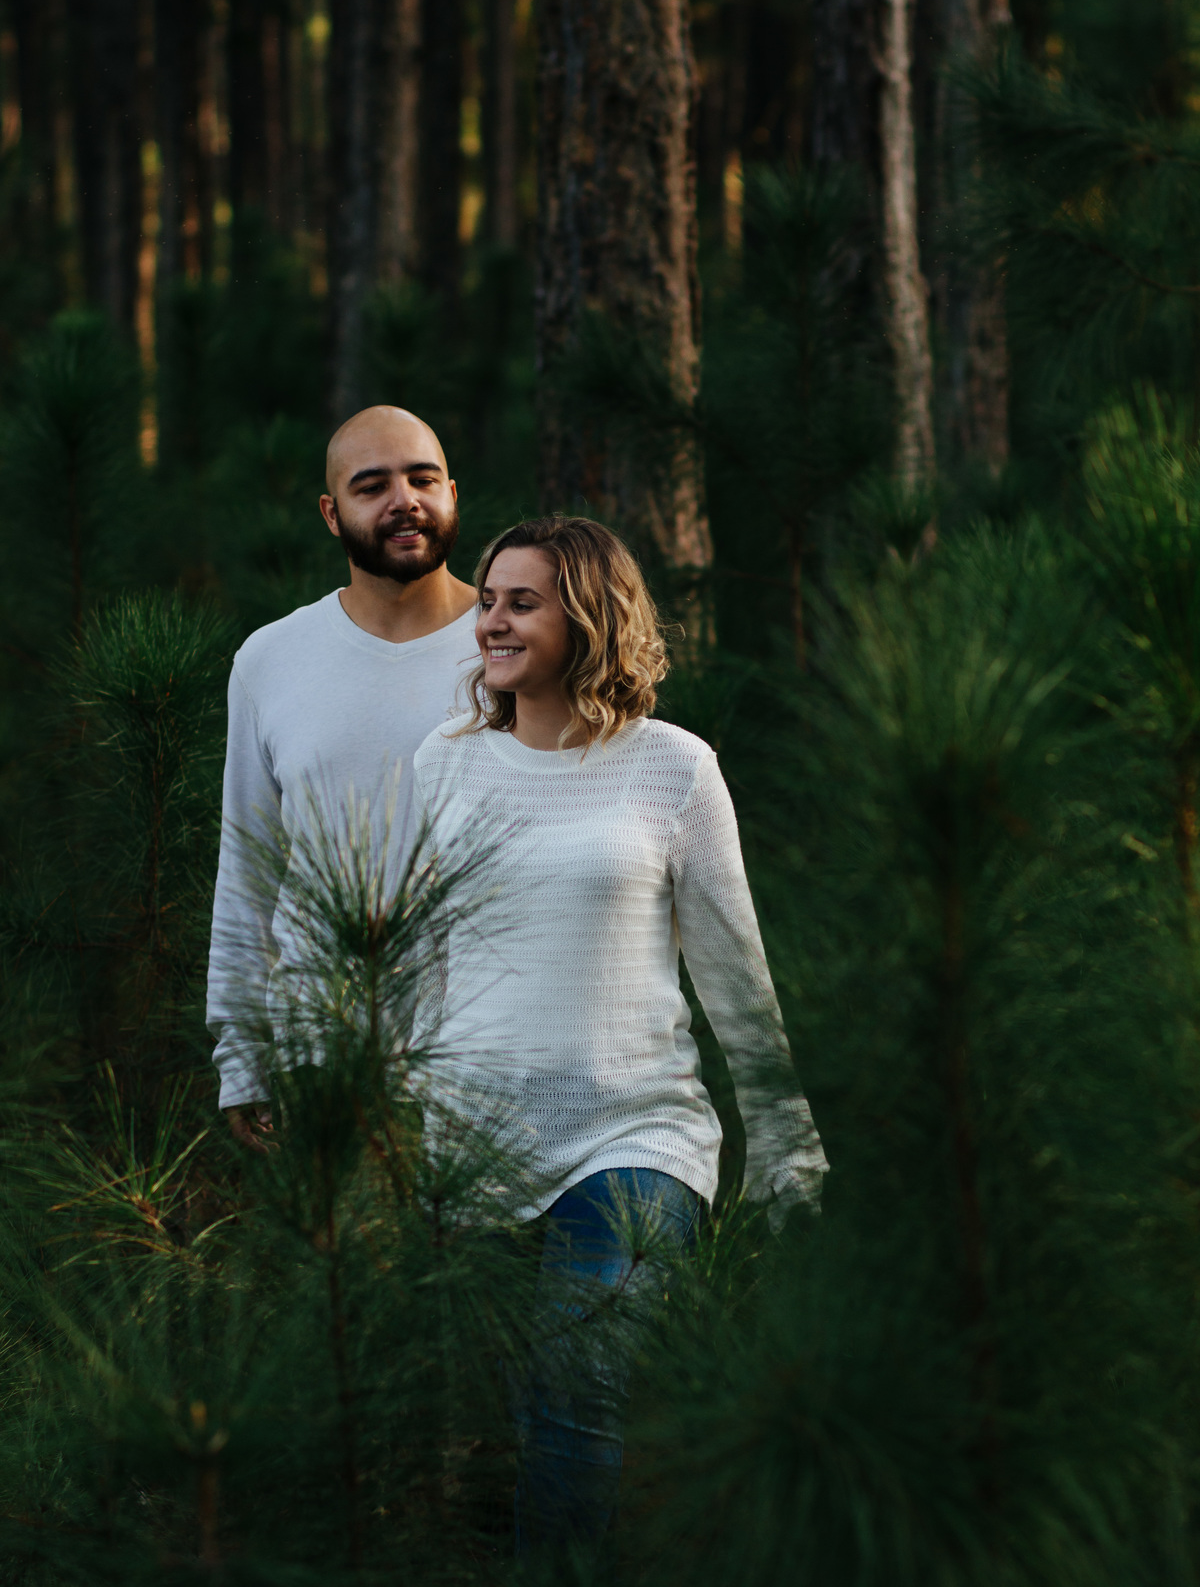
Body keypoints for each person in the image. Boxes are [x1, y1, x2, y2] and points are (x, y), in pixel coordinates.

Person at [412, 515, 827, 1558]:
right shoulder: (444, 765)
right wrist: (399, 1120)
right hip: (472, 1146)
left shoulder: (674, 769)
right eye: (487, 601)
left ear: (589, 618)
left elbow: (736, 974)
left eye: (522, 603)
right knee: (491, 1431)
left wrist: (785, 1139)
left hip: (634, 1136)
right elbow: (421, 960)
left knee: (577, 1386)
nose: (491, 622)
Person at [206, 404, 478, 1151]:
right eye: (372, 485)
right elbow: (249, 872)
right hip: (322, 1058)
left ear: (452, 494)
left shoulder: (513, 642)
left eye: (423, 479)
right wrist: (242, 1056)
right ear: (331, 514)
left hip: (492, 1050)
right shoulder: (271, 659)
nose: (404, 500)